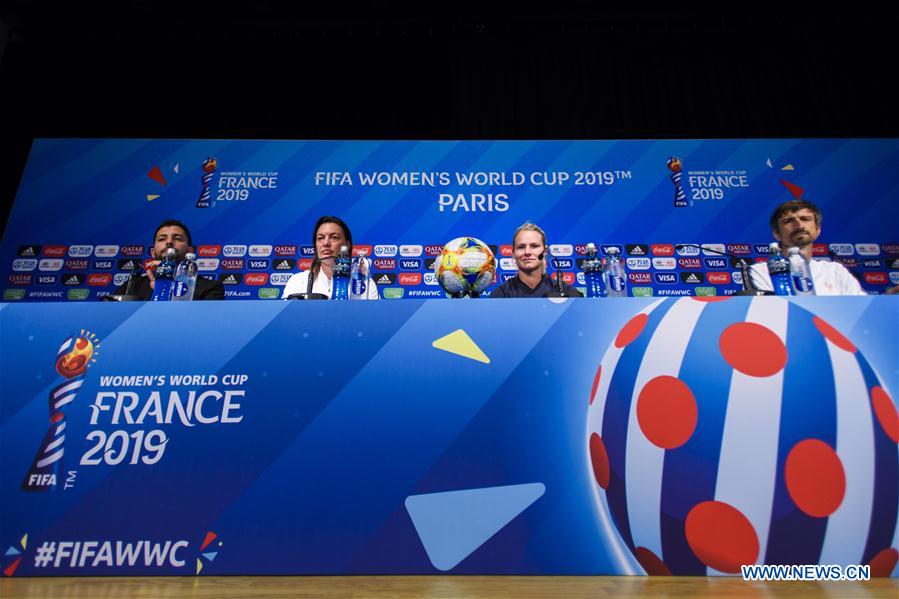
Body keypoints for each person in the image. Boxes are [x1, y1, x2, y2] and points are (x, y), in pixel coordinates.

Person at [749, 200, 865, 295]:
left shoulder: (835, 270)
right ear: (776, 233)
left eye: (805, 219)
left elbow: (861, 309)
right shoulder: (761, 271)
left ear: (818, 229)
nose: (799, 225)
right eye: (788, 221)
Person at [113, 219, 225, 300]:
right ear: (152, 252)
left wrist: (166, 286)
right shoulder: (132, 285)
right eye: (162, 239)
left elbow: (204, 324)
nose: (169, 242)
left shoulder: (210, 287)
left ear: (190, 251)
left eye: (177, 238)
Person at [282, 216, 379, 299]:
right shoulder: (298, 281)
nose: (325, 243)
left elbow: (374, 319)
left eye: (334, 237)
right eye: (320, 238)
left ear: (347, 244)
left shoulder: (364, 285)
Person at [490, 223, 582, 298]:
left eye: (534, 246)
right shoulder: (501, 295)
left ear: (545, 251)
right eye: (521, 247)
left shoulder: (567, 293)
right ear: (513, 253)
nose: (527, 252)